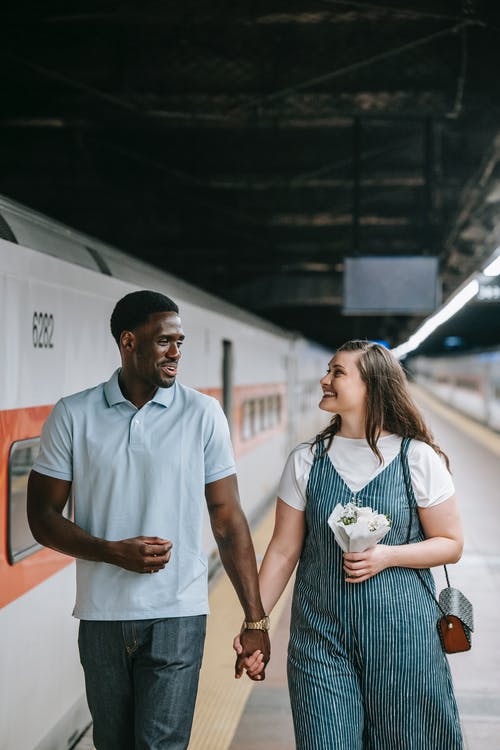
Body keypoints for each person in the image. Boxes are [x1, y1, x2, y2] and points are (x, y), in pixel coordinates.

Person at [27, 290, 270, 750]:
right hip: (101, 616)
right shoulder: (73, 414)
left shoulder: (202, 414)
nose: (176, 353)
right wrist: (110, 551)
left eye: (180, 341)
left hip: (178, 614)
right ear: (128, 341)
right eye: (164, 342)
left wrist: (255, 621)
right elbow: (40, 516)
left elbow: (228, 519)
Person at [234, 339, 464, 749]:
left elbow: (450, 543)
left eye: (337, 372)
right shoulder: (306, 461)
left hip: (404, 639)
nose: (324, 379)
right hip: (321, 637)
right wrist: (255, 622)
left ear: (372, 386)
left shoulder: (418, 459)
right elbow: (284, 551)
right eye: (328, 370)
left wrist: (388, 555)